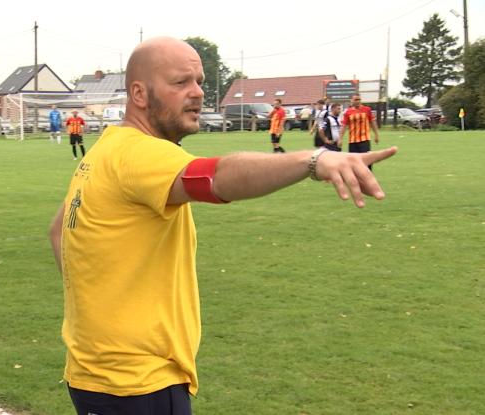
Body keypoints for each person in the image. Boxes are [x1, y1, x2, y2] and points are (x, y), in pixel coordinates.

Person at [49, 37, 396, 415]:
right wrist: (312, 161)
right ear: (139, 94)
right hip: (137, 383)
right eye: (181, 83)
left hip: (96, 372)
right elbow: (213, 177)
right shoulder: (140, 153)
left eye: (199, 81)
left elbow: (58, 231)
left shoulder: (107, 149)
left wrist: (102, 309)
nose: (197, 93)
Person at [340, 94, 380, 169]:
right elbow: (344, 125)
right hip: (352, 141)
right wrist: (340, 138)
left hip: (364, 139)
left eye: (359, 99)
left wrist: (376, 135)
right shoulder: (348, 112)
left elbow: (372, 122)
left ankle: (368, 177)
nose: (358, 101)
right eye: (356, 100)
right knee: (353, 161)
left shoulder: (367, 109)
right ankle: (356, 178)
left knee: (367, 159)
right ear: (352, 101)